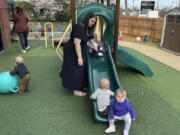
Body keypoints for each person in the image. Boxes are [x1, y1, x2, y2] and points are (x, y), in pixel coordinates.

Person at [60, 12, 98, 96]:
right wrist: (79, 58)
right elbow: (77, 43)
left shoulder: (86, 27)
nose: (92, 23)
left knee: (81, 68)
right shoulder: (79, 27)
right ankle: (76, 90)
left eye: (94, 22)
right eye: (91, 21)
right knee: (77, 68)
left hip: (78, 50)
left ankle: (81, 85)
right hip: (72, 51)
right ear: (87, 18)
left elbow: (91, 39)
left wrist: (96, 47)